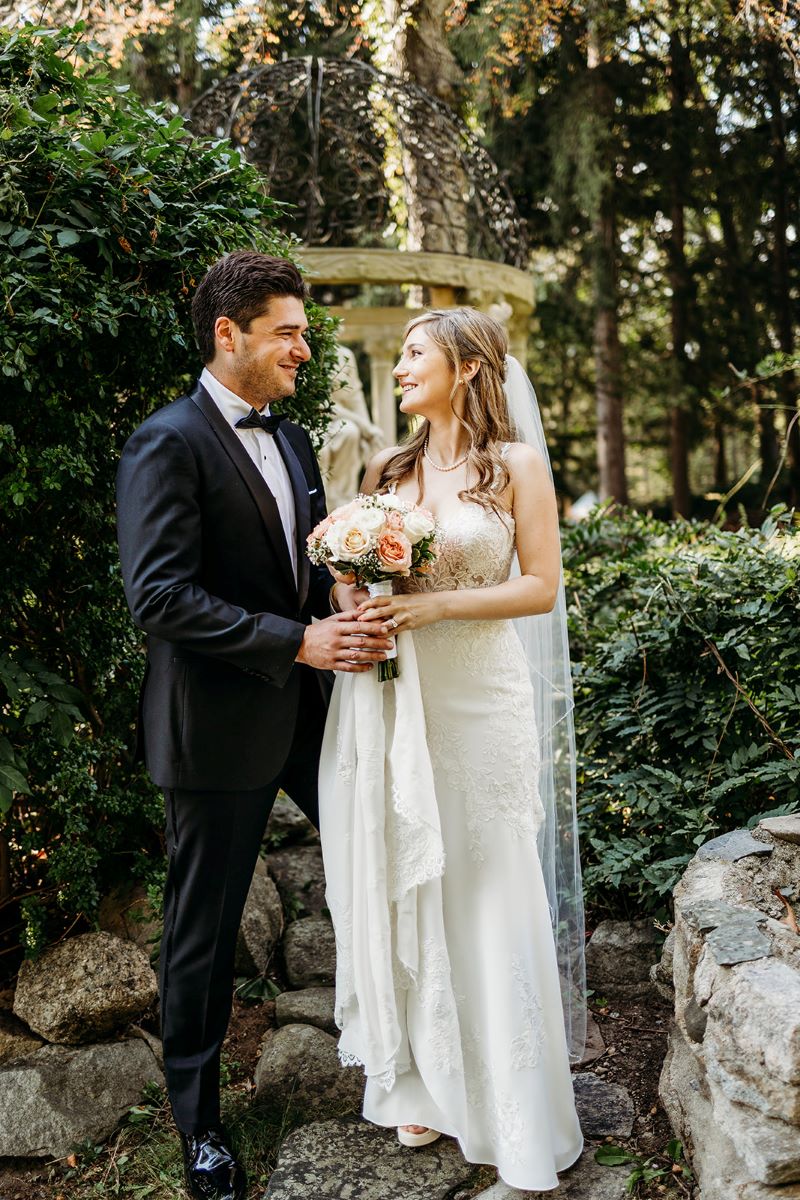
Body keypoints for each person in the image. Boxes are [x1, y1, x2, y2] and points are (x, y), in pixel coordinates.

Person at [115, 251, 391, 1200]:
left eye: (304, 333)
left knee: (392, 853)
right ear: (228, 335)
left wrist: (349, 600)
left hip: (318, 716)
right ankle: (200, 1129)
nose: (304, 351)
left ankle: (410, 1057)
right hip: (218, 727)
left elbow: (301, 567)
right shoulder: (167, 441)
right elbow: (158, 596)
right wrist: (298, 641)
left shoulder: (298, 439)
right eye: (288, 333)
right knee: (205, 928)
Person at [318, 307, 586, 1195]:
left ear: (468, 368)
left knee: (486, 878)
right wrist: (355, 594)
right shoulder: (387, 469)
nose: (398, 368)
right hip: (400, 703)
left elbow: (540, 586)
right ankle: (425, 1081)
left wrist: (435, 608)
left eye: (414, 354)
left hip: (481, 702)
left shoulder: (517, 467)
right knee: (414, 875)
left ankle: (514, 1107)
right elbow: (358, 583)